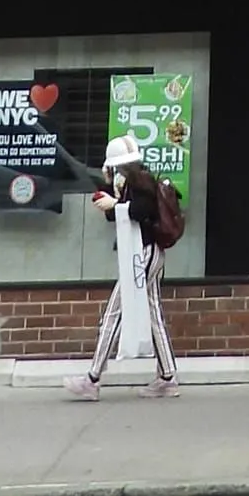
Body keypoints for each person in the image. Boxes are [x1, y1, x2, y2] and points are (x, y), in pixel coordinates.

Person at [67, 136, 179, 399]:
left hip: (142, 255)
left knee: (114, 313)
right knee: (152, 314)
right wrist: (112, 201)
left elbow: (138, 212)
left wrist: (114, 204)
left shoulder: (141, 183)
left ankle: (92, 378)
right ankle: (168, 376)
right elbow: (124, 213)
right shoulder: (138, 180)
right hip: (148, 254)